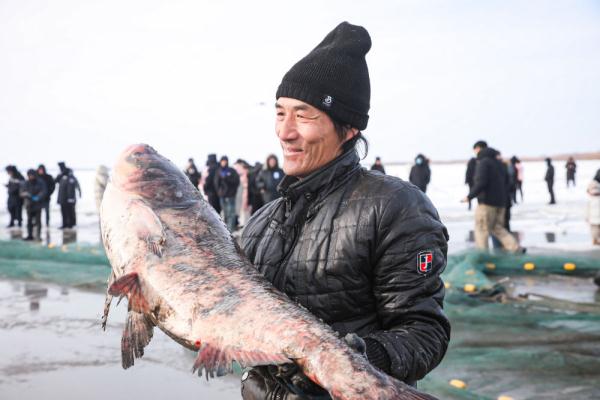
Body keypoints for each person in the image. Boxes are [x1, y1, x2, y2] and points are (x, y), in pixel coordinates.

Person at [240, 22, 450, 399]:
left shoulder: (394, 208)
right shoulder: (261, 222)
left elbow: (424, 333)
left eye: (303, 116)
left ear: (349, 128)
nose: (284, 132)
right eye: (280, 113)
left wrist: (355, 360)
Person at [462, 142, 523, 253]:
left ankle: (482, 255)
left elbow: (481, 182)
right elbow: (508, 183)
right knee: (497, 228)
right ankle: (515, 247)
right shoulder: (500, 164)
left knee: (481, 229)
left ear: (479, 150)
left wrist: (469, 196)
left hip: (487, 203)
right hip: (501, 203)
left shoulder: (483, 163)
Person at [20, 169, 47, 240]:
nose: (31, 177)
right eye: (29, 175)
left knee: (38, 221)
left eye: (32, 175)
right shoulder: (26, 183)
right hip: (29, 205)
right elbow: (21, 192)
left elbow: (44, 191)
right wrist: (26, 194)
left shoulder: (40, 182)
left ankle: (38, 236)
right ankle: (30, 235)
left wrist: (38, 197)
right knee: (29, 221)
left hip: (38, 205)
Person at [214, 155, 240, 232]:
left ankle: (230, 230)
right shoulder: (218, 171)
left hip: (231, 195)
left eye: (225, 161)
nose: (224, 163)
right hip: (222, 196)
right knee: (225, 213)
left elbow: (236, 182)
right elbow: (216, 182)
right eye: (222, 161)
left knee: (231, 213)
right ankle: (225, 230)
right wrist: (219, 192)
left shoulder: (232, 171)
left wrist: (227, 178)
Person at [56, 163, 81, 229]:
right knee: (63, 212)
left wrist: (79, 193)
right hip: (62, 197)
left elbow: (76, 185)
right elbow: (55, 181)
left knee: (70, 212)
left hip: (70, 198)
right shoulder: (61, 176)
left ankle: (71, 224)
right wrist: (60, 175)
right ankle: (65, 224)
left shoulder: (70, 176)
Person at [586, 169, 600, 245]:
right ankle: (595, 240)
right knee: (595, 226)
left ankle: (596, 239)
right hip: (595, 208)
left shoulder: (592, 183)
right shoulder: (595, 184)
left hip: (593, 209)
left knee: (595, 226)